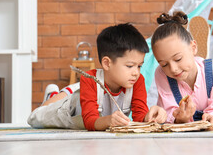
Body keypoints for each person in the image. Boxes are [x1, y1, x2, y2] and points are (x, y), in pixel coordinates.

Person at [28, 23, 167, 131]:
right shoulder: (89, 79)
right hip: (69, 109)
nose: (136, 72)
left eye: (139, 66)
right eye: (130, 66)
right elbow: (89, 121)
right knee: (35, 118)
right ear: (107, 63)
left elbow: (139, 116)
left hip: (93, 92)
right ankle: (51, 96)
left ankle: (58, 94)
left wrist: (149, 117)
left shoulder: (137, 80)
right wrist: (108, 121)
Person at [151, 11, 213, 130]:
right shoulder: (161, 74)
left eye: (178, 59)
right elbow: (168, 112)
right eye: (164, 64)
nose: (173, 69)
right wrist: (180, 119)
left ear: (193, 48)